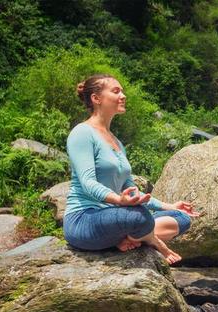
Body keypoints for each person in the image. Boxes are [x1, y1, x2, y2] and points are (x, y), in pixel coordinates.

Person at [63, 74, 198, 264]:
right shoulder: (82, 133)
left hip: (114, 218)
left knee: (182, 218)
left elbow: (132, 190)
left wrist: (169, 206)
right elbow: (87, 182)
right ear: (96, 98)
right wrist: (119, 200)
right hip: (84, 220)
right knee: (139, 216)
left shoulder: (116, 142)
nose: (123, 95)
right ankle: (148, 238)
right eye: (116, 91)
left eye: (122, 91)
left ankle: (127, 239)